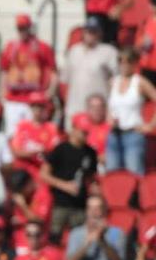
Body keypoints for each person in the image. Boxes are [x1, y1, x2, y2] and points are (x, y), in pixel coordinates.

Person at [42, 114, 99, 239]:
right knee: (55, 237)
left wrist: (93, 189)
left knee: (78, 238)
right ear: (73, 128)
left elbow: (91, 177)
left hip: (80, 204)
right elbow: (44, 174)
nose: (84, 134)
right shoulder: (60, 149)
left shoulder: (91, 153)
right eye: (82, 131)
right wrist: (64, 185)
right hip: (60, 203)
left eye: (86, 132)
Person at [0, 14, 58, 134]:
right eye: (20, 28)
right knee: (13, 134)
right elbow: (4, 71)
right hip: (13, 99)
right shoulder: (10, 47)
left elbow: (53, 71)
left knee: (33, 133)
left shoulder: (42, 47)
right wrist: (2, 93)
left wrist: (50, 92)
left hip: (33, 100)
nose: (22, 31)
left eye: (24, 28)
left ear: (30, 27)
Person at [105, 47, 156, 175]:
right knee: (112, 174)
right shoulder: (113, 82)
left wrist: (151, 125)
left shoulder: (139, 82)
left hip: (133, 134)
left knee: (134, 174)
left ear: (135, 63)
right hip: (114, 134)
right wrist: (109, 117)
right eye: (121, 61)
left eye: (128, 61)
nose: (124, 65)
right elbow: (110, 104)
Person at [63, 18, 118, 118]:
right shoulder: (74, 51)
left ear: (99, 33)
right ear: (83, 32)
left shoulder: (108, 51)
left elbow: (116, 79)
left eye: (94, 31)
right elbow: (65, 80)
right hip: (75, 107)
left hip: (99, 108)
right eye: (88, 31)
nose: (90, 34)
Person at [8, 94, 61, 180]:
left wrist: (43, 152)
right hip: (23, 170)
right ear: (31, 108)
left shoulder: (51, 128)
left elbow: (57, 152)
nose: (38, 110)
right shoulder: (22, 126)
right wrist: (34, 153)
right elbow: (16, 151)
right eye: (34, 106)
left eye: (40, 106)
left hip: (42, 171)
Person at [75, 94, 111, 158]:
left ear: (105, 109)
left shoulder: (110, 128)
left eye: (100, 107)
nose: (97, 110)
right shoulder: (79, 120)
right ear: (87, 109)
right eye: (93, 107)